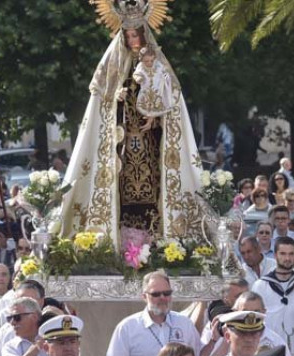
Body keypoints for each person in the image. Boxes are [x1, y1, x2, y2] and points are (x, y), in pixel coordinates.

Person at [59, 6, 202, 245]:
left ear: (145, 35)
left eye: (136, 35)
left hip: (151, 144)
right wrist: (117, 95)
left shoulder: (158, 66)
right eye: (128, 36)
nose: (132, 40)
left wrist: (157, 115)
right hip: (121, 144)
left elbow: (171, 100)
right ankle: (120, 237)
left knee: (154, 184)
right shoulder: (114, 66)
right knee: (120, 186)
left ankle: (156, 238)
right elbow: (100, 103)